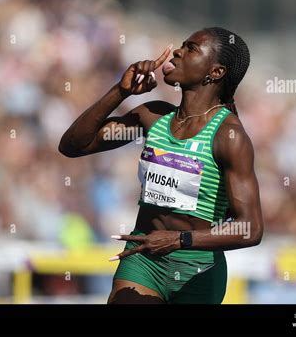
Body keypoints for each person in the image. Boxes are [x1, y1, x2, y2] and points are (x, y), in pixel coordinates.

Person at [59, 27, 263, 304]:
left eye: (191, 49)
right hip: (144, 258)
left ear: (215, 73)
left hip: (197, 270)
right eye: (182, 45)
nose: (177, 51)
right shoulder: (152, 117)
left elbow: (250, 228)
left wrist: (178, 240)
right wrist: (121, 91)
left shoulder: (229, 137)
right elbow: (74, 145)